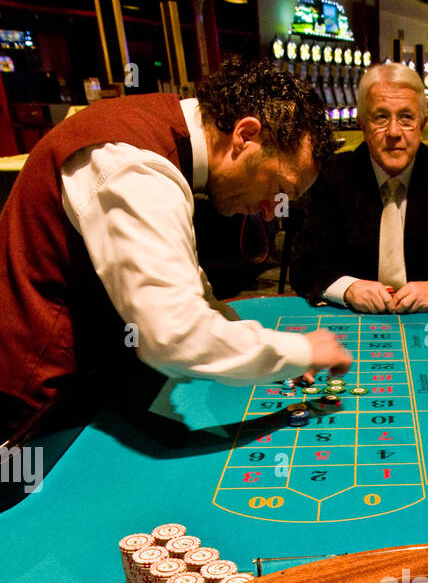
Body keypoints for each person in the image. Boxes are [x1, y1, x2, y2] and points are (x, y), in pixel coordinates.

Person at [0, 56, 352, 443]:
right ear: (246, 135)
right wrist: (300, 349)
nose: (272, 212)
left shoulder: (162, 134)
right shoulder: (137, 168)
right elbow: (174, 334)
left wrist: (262, 348)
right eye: (279, 190)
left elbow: (185, 284)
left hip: (84, 380)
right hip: (33, 399)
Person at [290, 62, 428, 314]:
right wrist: (350, 289)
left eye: (406, 117)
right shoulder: (333, 177)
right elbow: (305, 267)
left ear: (422, 125)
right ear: (363, 125)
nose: (393, 132)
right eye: (381, 117)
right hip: (355, 321)